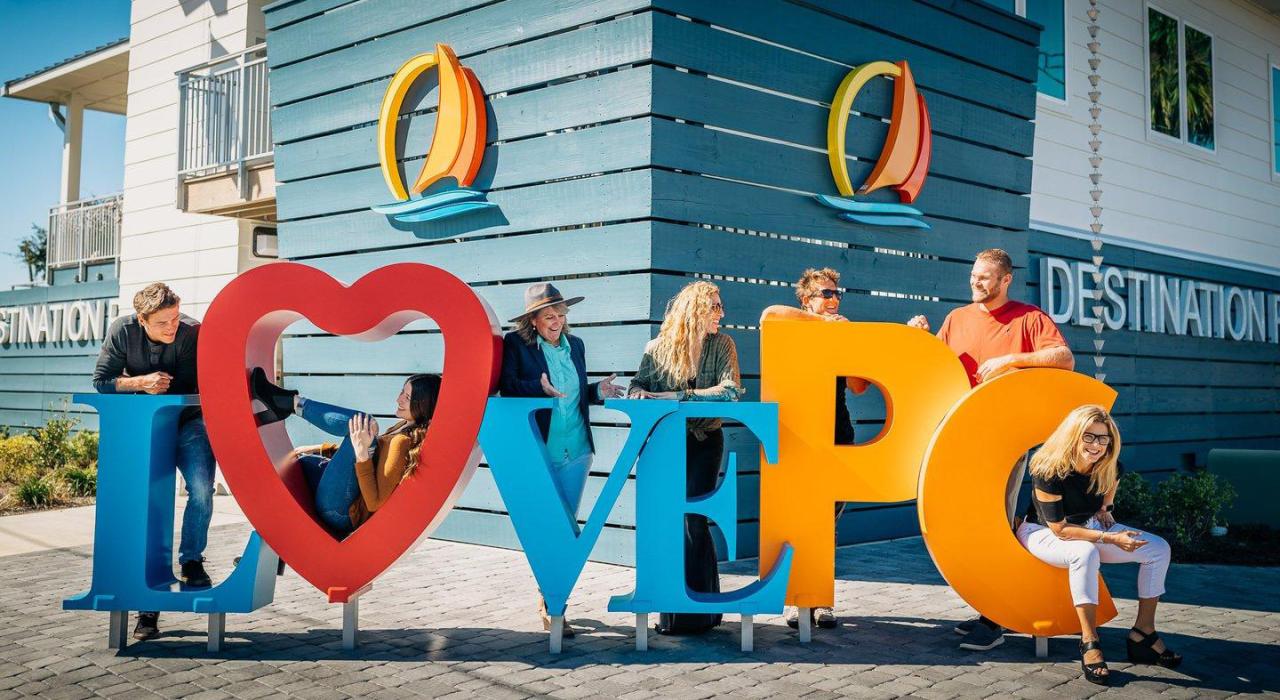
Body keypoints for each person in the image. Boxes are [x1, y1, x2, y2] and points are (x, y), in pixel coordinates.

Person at [907, 248, 1074, 651]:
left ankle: (997, 618)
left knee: (996, 524)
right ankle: (991, 606)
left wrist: (1010, 361)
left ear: (1005, 280)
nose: (975, 282)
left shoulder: (1029, 317)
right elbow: (938, 369)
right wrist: (919, 340)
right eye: (973, 275)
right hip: (959, 437)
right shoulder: (956, 319)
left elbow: (1064, 358)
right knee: (969, 526)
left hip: (1004, 441)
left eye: (984, 277)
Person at [1019, 405, 1179, 685]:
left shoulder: (1109, 464)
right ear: (1074, 435)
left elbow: (1111, 482)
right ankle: (1089, 640)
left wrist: (1106, 507)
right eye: (1089, 437)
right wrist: (1111, 538)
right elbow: (1060, 528)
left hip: (1088, 527)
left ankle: (1143, 632)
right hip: (1043, 533)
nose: (1096, 445)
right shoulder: (1048, 469)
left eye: (1103, 439)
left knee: (1158, 549)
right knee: (1085, 550)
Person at [498, 282, 624, 637]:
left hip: (577, 449)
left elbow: (574, 394)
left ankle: (552, 601)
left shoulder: (577, 346)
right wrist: (538, 389)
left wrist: (597, 391)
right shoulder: (517, 345)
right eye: (548, 316)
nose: (556, 321)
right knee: (545, 527)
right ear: (533, 321)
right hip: (541, 450)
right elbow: (508, 387)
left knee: (567, 528)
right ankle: (551, 600)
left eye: (560, 315)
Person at [92, 282, 215, 641]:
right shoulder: (122, 331)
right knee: (150, 509)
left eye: (175, 317)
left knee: (202, 490)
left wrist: (138, 382)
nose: (172, 326)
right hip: (145, 429)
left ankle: (191, 559)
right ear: (141, 319)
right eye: (163, 322)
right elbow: (101, 381)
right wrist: (138, 383)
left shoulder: (191, 332)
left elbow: (195, 386)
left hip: (189, 423)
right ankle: (147, 609)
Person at [628, 280, 744, 635]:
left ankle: (703, 612)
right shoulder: (658, 348)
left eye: (720, 306)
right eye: (714, 306)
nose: (721, 314)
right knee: (667, 520)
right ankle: (672, 615)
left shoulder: (723, 344)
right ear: (693, 310)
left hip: (706, 439)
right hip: (667, 443)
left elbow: (730, 392)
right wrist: (639, 395)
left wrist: (677, 396)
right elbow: (637, 385)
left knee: (695, 517)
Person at [760, 267, 869, 631]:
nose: (834, 299)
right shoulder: (792, 324)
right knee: (795, 519)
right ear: (807, 299)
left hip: (837, 435)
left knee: (825, 524)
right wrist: (821, 325)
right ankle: (795, 600)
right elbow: (769, 313)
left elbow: (858, 387)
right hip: (795, 437)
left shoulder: (841, 329)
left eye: (837, 293)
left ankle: (820, 599)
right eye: (826, 293)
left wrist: (848, 341)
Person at [251, 371, 441, 538]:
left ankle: (287, 403)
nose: (398, 399)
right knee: (303, 462)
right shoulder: (401, 427)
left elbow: (374, 502)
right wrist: (321, 449)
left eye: (407, 398)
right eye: (402, 392)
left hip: (342, 513)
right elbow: (363, 453)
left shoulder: (402, 442)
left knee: (365, 424)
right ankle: (284, 404)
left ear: (422, 405)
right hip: (344, 496)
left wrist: (362, 455)